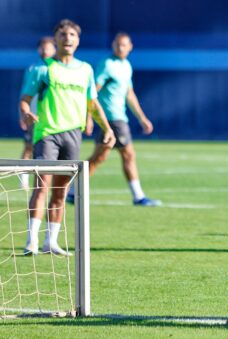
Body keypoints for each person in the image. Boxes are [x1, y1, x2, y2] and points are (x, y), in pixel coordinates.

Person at [20, 19, 115, 255]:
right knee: (41, 187)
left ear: (78, 40)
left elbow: (92, 103)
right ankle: (31, 240)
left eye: (72, 34)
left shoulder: (85, 70)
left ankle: (50, 242)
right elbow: (25, 99)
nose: (68, 38)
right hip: (47, 134)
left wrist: (107, 128)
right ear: (56, 39)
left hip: (73, 135)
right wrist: (26, 112)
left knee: (61, 191)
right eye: (63, 34)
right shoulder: (43, 69)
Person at [68, 32, 160, 206]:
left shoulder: (126, 66)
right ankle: (138, 196)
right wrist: (87, 117)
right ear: (113, 45)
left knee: (99, 157)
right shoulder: (107, 65)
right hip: (111, 119)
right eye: (117, 44)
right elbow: (92, 92)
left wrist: (142, 118)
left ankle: (73, 191)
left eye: (124, 45)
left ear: (130, 47)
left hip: (119, 117)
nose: (120, 47)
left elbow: (129, 93)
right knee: (128, 154)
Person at [18, 37, 56, 189]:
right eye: (42, 47)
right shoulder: (33, 69)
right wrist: (23, 114)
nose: (45, 50)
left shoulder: (58, 68)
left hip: (52, 118)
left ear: (54, 48)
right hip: (33, 117)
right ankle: (24, 180)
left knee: (51, 150)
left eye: (48, 47)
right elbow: (24, 95)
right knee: (29, 147)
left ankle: (53, 183)